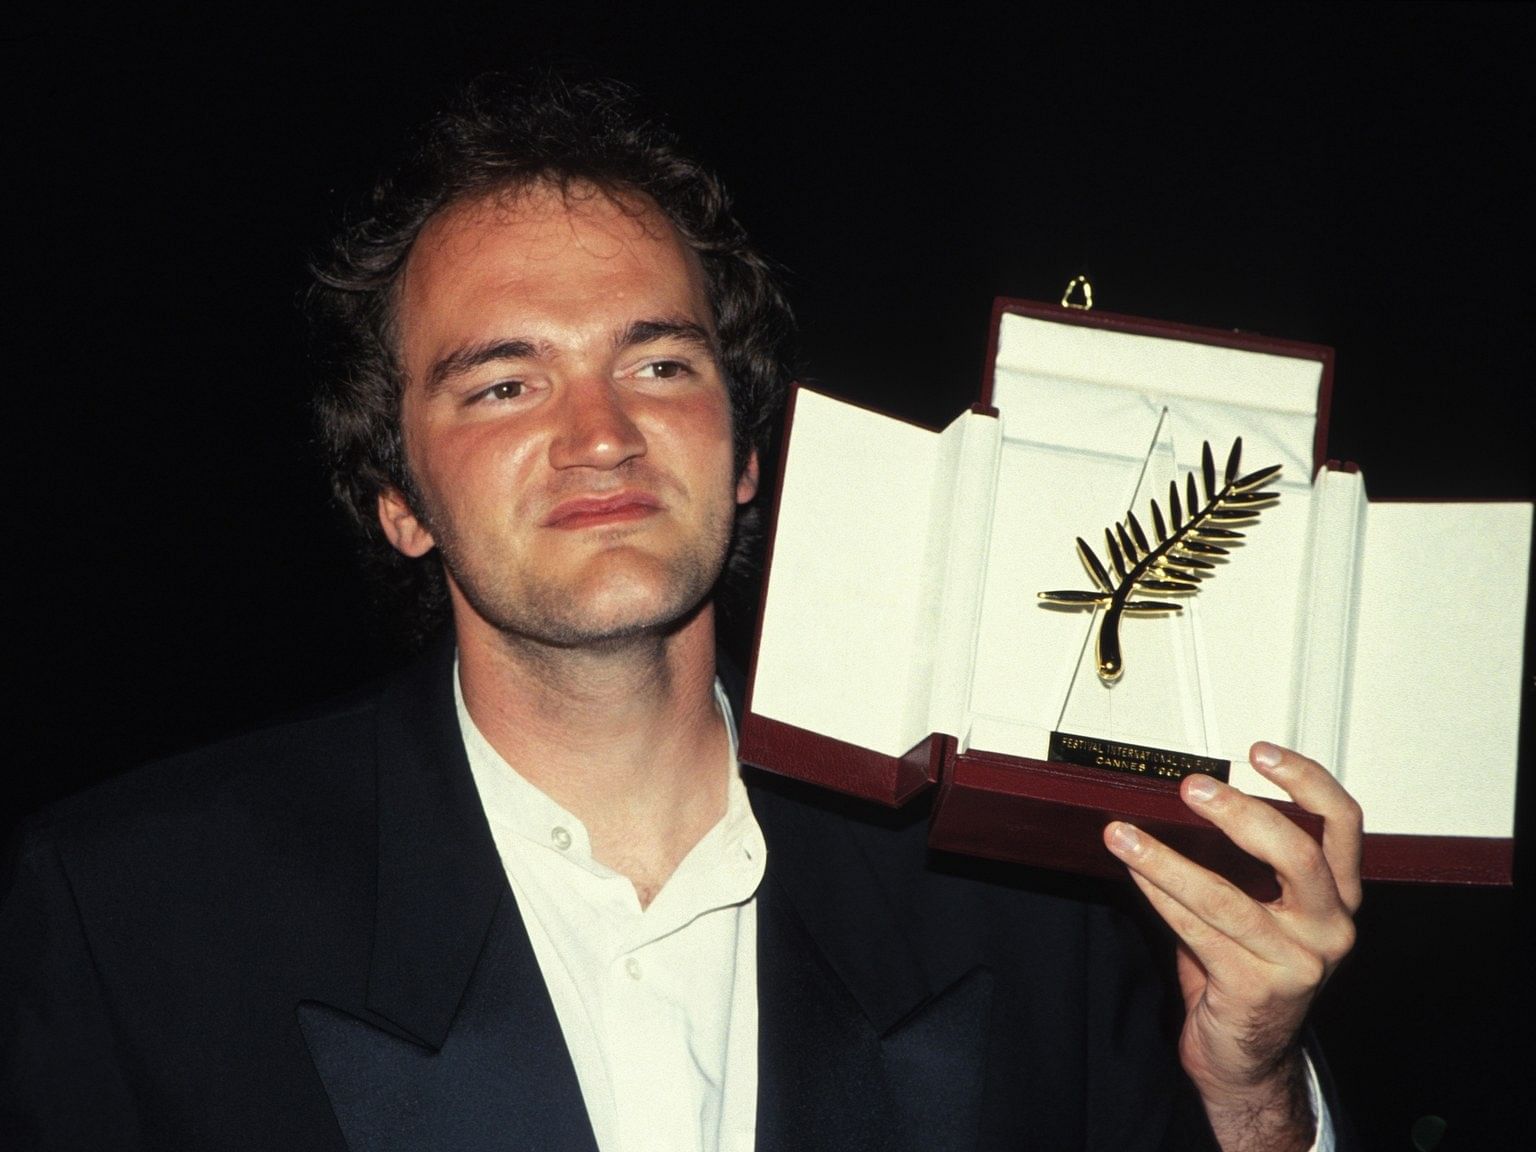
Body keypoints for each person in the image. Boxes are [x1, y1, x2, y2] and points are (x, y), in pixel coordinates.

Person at [0, 76, 1361, 1151]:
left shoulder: (1018, 899)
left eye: (658, 361)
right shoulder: (137, 912)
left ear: (747, 450)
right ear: (398, 497)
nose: (601, 435)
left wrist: (1250, 1092)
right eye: (502, 384)